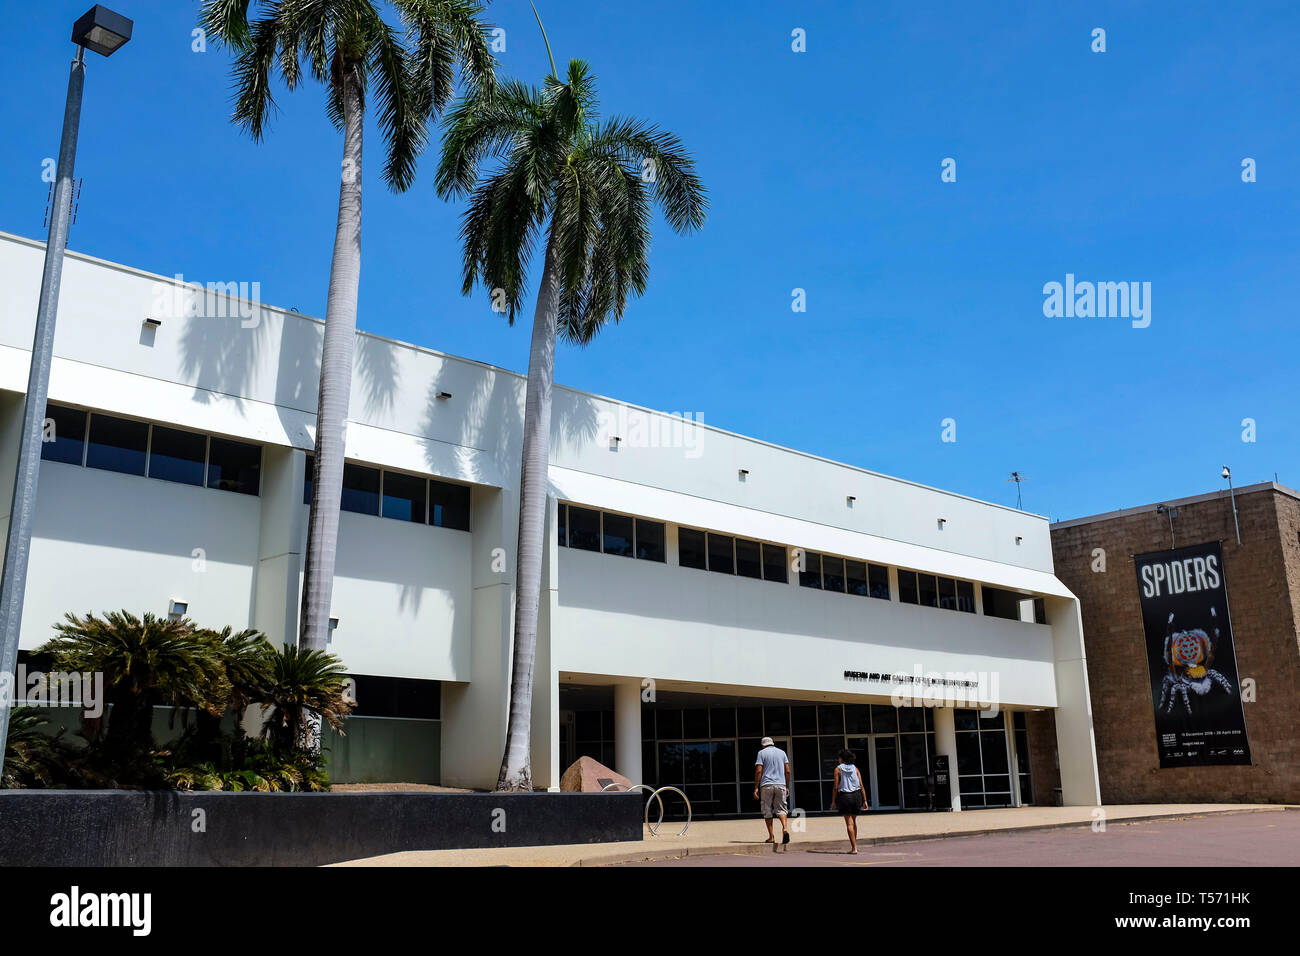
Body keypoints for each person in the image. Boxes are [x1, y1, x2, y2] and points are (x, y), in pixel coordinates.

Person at [753, 736, 792, 844]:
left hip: (767, 785)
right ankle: (785, 828)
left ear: (763, 744)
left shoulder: (761, 753)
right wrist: (786, 786)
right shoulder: (782, 752)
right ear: (772, 743)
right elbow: (788, 771)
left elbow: (759, 771)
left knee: (767, 810)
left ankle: (771, 837)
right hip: (780, 784)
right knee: (782, 809)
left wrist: (756, 787)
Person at [831, 748, 866, 854]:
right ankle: (855, 845)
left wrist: (833, 801)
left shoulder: (838, 769)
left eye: (839, 757)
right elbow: (861, 785)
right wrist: (865, 800)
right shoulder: (855, 768)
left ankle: (854, 848)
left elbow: (836, 787)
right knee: (854, 821)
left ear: (842, 758)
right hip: (857, 795)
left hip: (845, 796)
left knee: (849, 823)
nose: (838, 759)